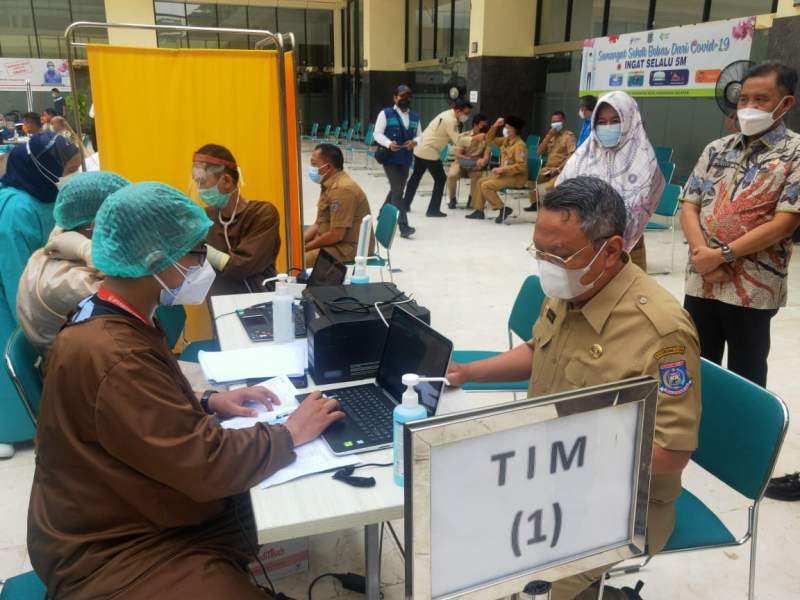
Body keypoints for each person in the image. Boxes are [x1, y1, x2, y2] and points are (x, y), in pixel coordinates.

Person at [27, 181, 344, 598]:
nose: (204, 266)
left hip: (127, 507)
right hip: (110, 549)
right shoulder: (114, 353)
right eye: (197, 254)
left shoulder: (113, 313)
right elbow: (205, 466)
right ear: (156, 259)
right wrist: (289, 433)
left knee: (254, 506)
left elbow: (130, 408)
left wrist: (209, 401)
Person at [448, 176, 701, 600]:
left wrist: (562, 458)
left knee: (532, 577)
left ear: (612, 250)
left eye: (559, 253)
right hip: (547, 471)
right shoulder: (574, 283)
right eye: (539, 249)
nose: (546, 263)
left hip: (620, 502)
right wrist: (470, 373)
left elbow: (671, 453)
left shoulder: (661, 332)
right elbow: (539, 350)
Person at [682, 60, 800, 510]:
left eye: (761, 100)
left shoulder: (794, 152)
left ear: (784, 103)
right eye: (744, 98)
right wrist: (702, 254)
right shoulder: (717, 148)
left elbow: (786, 221)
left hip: (753, 286)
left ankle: (745, 448)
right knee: (697, 360)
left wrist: (726, 255)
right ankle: (695, 435)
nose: (748, 107)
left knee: (749, 371)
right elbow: (690, 202)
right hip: (702, 278)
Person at [0, 132, 81, 458]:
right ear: (44, 167)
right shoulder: (16, 210)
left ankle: (32, 418)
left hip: (32, 279)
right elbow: (17, 277)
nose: (71, 176)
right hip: (11, 289)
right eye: (68, 169)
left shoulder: (45, 194)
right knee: (11, 356)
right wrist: (39, 321)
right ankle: (7, 428)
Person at [16, 171, 129, 354]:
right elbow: (129, 297)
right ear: (95, 225)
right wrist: (86, 249)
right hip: (87, 374)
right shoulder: (66, 281)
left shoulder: (64, 239)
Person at [557, 91, 663, 271]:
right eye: (601, 122)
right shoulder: (584, 155)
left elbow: (634, 213)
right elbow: (561, 194)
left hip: (624, 249)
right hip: (579, 245)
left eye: (615, 121)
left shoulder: (644, 162)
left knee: (626, 296)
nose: (607, 127)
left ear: (630, 120)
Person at [192, 144, 281, 295]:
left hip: (257, 299)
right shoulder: (206, 217)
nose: (200, 189)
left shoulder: (263, 214)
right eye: (197, 182)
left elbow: (241, 266)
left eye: (203, 182)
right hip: (220, 302)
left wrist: (202, 250)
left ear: (226, 181)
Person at [402, 98, 473, 218]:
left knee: (416, 176)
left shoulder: (446, 114)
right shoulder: (451, 121)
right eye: (465, 113)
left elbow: (451, 134)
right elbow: (457, 140)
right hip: (429, 151)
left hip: (421, 148)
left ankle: (405, 205)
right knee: (440, 179)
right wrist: (474, 139)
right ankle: (433, 210)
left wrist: (465, 134)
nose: (467, 116)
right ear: (457, 110)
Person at [305, 143, 374, 265]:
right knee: (291, 252)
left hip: (348, 247)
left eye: (314, 164)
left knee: (297, 261)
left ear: (328, 167)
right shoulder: (328, 183)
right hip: (334, 241)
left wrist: (306, 247)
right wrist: (298, 243)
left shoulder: (342, 190)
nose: (311, 168)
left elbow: (336, 235)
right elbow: (318, 223)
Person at [373, 84, 422, 239]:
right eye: (401, 96)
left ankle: (382, 213)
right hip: (391, 158)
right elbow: (377, 133)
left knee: (397, 189)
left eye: (407, 96)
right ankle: (403, 225)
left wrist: (414, 142)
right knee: (397, 191)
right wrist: (388, 143)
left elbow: (421, 135)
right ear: (395, 98)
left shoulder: (414, 116)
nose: (404, 99)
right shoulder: (385, 114)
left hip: (406, 158)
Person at [466, 115, 528, 223]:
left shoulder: (519, 145)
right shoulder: (506, 140)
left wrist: (503, 170)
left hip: (516, 178)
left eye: (508, 127)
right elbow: (489, 139)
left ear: (514, 129)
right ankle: (479, 211)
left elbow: (522, 166)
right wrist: (495, 126)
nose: (505, 129)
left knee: (486, 186)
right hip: (505, 175)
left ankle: (502, 209)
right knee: (480, 181)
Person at [526, 110, 576, 212]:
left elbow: (572, 155)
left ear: (563, 122)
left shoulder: (568, 136)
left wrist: (558, 169)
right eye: (553, 121)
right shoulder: (550, 135)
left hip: (561, 170)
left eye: (558, 121)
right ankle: (535, 203)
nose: (555, 124)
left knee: (549, 187)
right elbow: (538, 153)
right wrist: (548, 136)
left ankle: (555, 210)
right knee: (530, 178)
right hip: (548, 169)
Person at [446, 113, 490, 209]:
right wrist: (471, 160)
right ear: (475, 125)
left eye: (486, 125)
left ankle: (472, 198)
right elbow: (458, 155)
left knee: (477, 176)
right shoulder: (464, 136)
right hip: (461, 163)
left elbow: (486, 156)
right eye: (482, 125)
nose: (485, 127)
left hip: (475, 166)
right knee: (452, 176)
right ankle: (452, 199)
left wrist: (483, 162)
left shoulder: (487, 138)